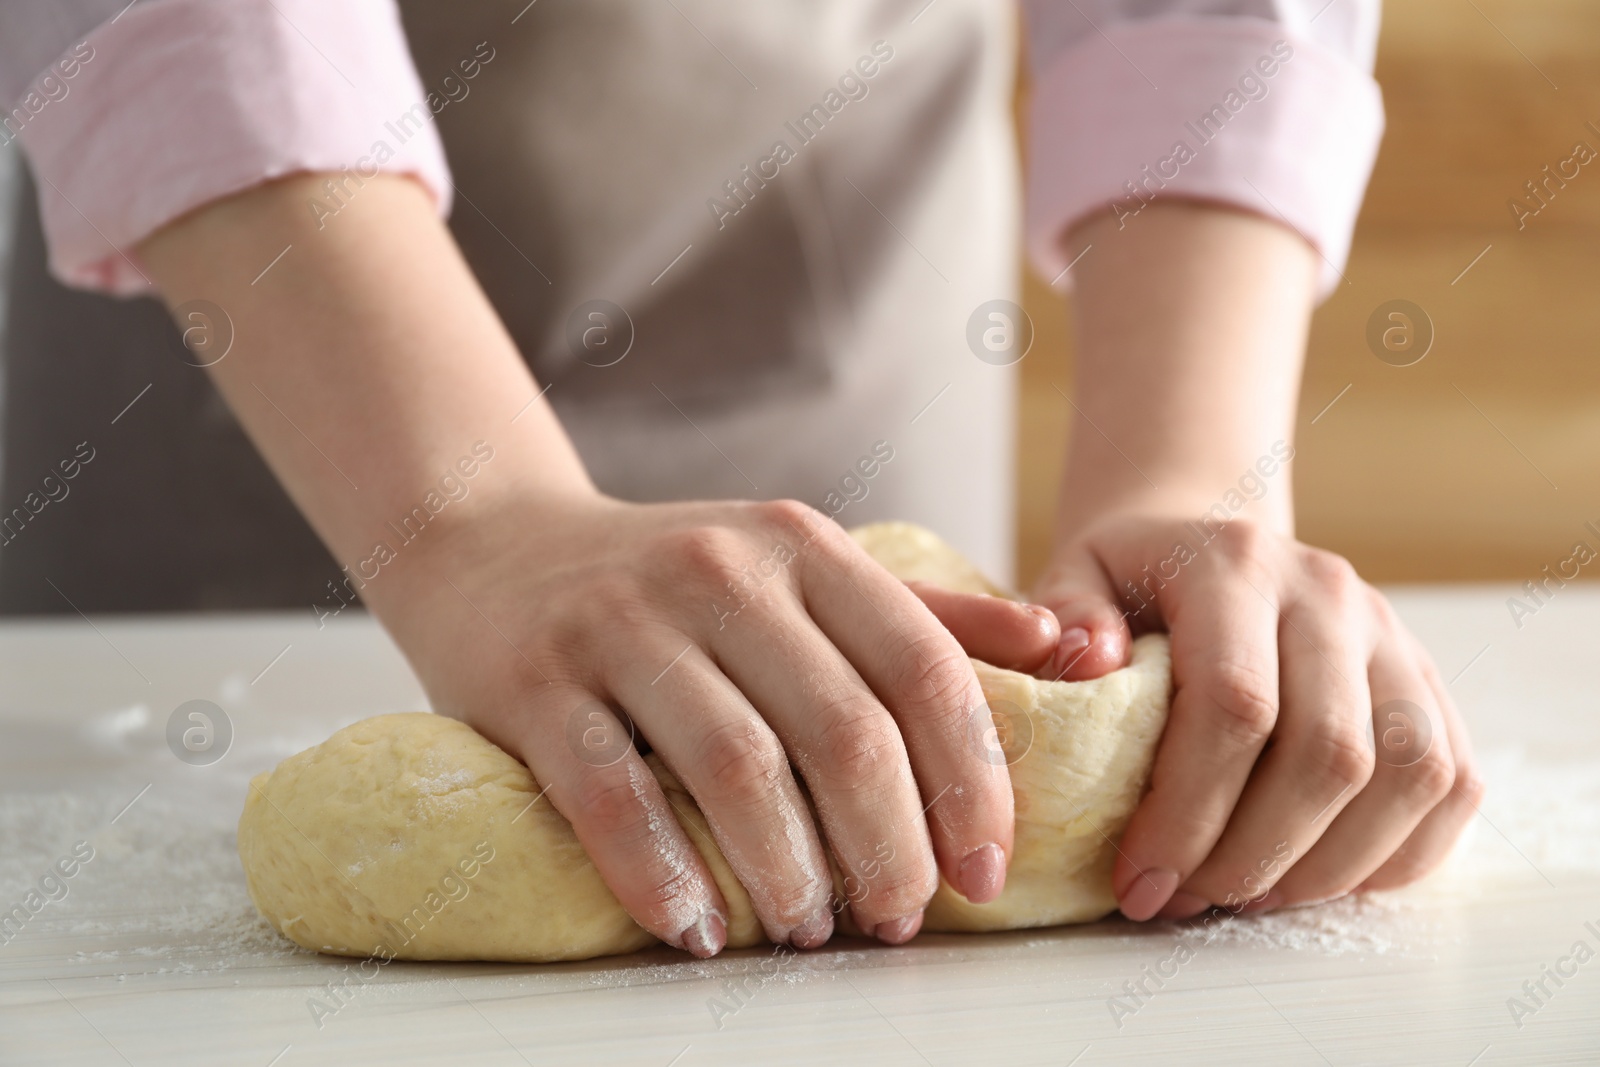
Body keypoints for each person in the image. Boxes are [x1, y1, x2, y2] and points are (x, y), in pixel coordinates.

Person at [0, 0, 1481, 959]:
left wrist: (1188, 478)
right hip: (262, 332)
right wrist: (467, 517)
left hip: (835, 249)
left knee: (906, 761)